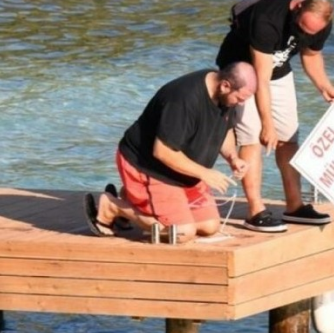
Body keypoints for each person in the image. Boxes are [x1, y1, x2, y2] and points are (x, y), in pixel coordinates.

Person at [216, 0, 334, 233]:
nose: (306, 34)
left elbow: (311, 54)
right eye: (302, 28)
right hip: (243, 71)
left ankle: (295, 206)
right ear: (297, 9)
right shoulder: (267, 19)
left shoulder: (320, 22)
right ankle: (255, 211)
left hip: (278, 69)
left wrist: (325, 86)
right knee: (252, 135)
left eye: (312, 32)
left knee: (288, 136)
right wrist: (267, 124)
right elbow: (261, 79)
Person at [84, 62, 257, 243]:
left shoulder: (224, 94)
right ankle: (112, 207)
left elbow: (225, 129)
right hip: (150, 167)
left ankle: (133, 198)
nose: (242, 103)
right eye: (240, 98)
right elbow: (163, 152)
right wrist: (205, 173)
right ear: (225, 85)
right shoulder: (184, 100)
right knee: (181, 233)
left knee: (209, 226)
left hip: (184, 171)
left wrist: (232, 157)